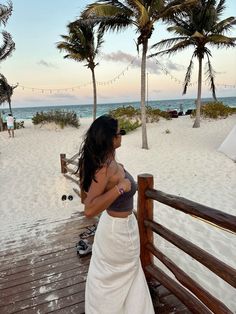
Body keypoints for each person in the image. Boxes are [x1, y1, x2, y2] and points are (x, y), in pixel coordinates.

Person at [78, 115, 154, 314]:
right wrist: (119, 188)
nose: (122, 135)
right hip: (117, 232)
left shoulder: (108, 161)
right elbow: (89, 208)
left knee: (122, 275)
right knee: (119, 276)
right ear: (111, 138)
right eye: (119, 132)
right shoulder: (105, 167)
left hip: (117, 227)